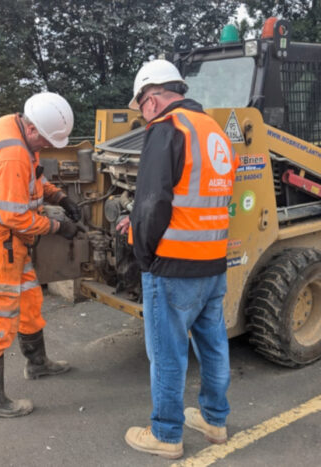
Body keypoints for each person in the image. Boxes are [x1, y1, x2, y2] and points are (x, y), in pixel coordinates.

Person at [118, 60, 237, 459]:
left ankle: (166, 435)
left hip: (173, 265)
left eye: (141, 107)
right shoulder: (214, 131)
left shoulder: (166, 130)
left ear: (151, 100)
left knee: (167, 353)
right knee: (213, 345)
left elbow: (152, 203)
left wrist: (143, 255)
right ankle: (214, 421)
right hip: (213, 260)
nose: (143, 114)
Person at [0, 92, 83, 419]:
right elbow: (16, 216)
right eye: (43, 140)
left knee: (29, 299)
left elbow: (33, 176)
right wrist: (59, 228)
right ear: (32, 130)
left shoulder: (14, 128)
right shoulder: (13, 153)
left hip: (8, 240)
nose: (44, 147)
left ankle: (37, 363)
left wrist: (59, 196)